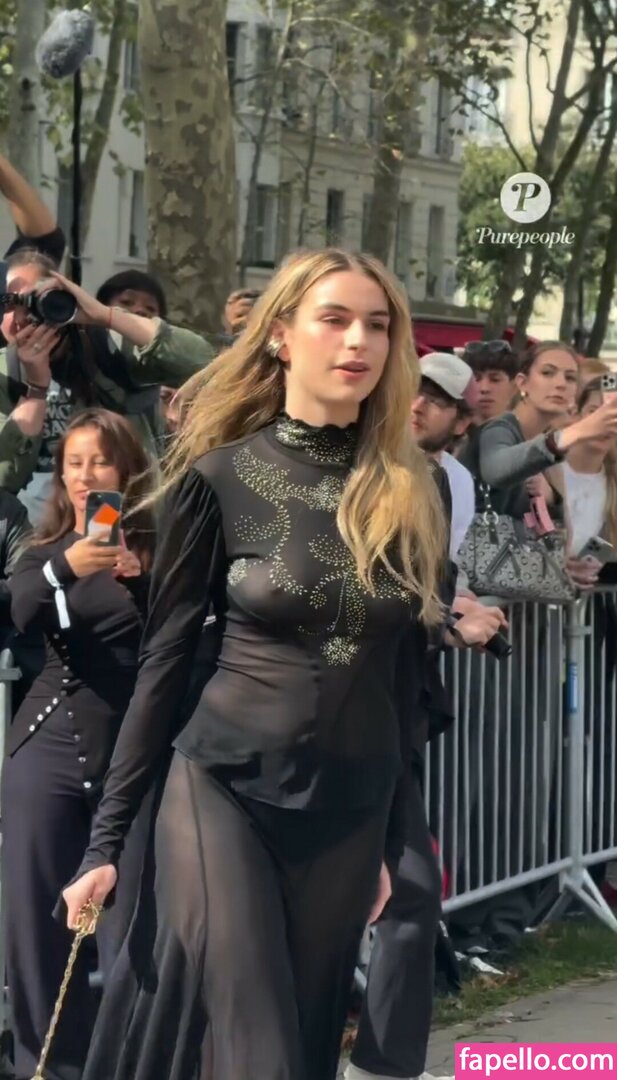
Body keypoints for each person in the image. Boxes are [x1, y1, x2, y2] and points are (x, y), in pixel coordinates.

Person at [61, 247, 449, 1080]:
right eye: (334, 319)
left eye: (377, 324)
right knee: (258, 1051)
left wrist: (398, 839)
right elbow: (164, 665)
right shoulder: (218, 478)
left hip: (347, 808)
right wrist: (106, 842)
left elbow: (399, 683)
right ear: (280, 335)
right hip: (223, 791)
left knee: (301, 1048)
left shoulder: (413, 489)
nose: (359, 341)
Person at [2, 408, 155, 1080]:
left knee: (136, 927)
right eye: (73, 463)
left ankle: (131, 1064)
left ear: (127, 468)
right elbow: (19, 610)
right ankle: (46, 1067)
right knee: (36, 927)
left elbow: (183, 640)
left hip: (138, 755)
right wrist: (65, 567)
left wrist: (141, 578)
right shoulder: (45, 554)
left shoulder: (162, 549)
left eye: (100, 461)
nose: (86, 475)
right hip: (50, 745)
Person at [0, 253, 215, 520]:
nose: (19, 316)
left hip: (126, 525)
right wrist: (36, 389)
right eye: (7, 304)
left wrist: (106, 315)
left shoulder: (107, 346)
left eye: (30, 301)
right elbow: (4, 479)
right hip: (38, 535)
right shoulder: (4, 371)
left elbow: (206, 362)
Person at [410, 353, 477, 560]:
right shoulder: (365, 458)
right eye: (412, 392)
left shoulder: (459, 479)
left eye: (435, 401)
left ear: (461, 423)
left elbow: (446, 560)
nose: (417, 407)